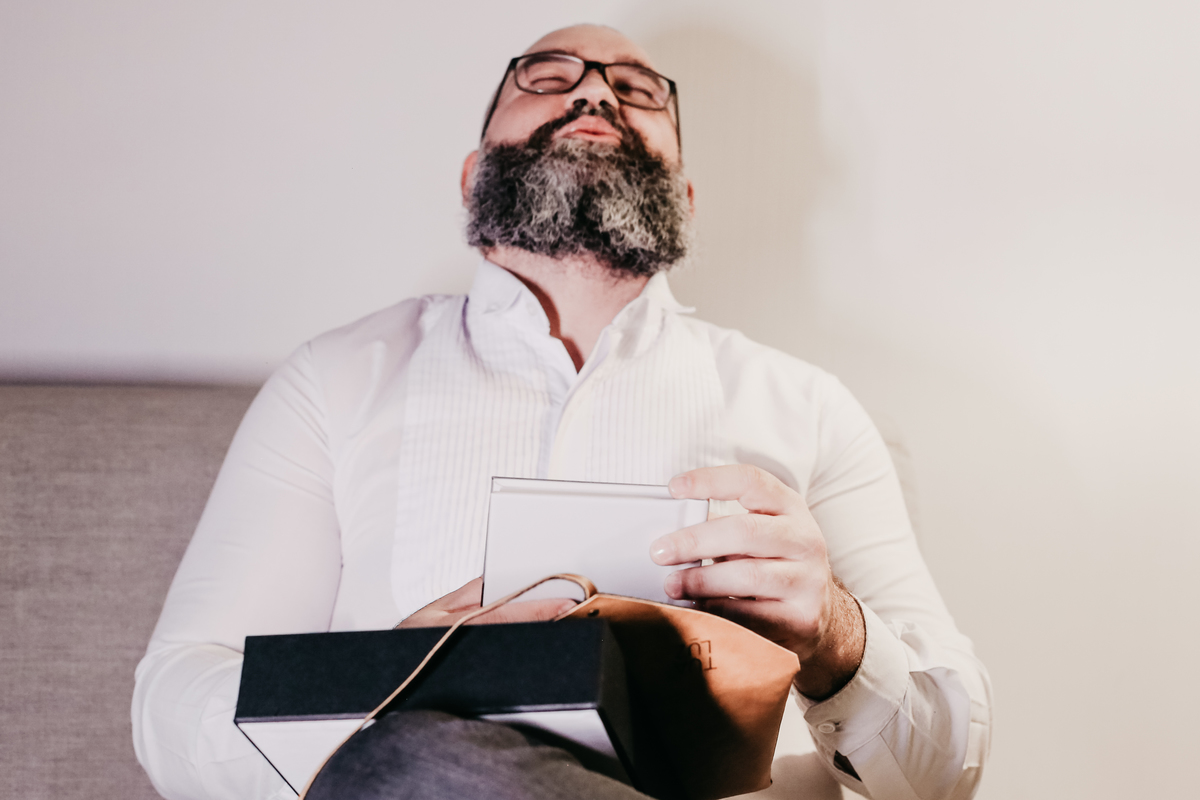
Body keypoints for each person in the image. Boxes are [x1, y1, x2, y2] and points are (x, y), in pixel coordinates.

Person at [133, 23, 991, 800]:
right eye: (547, 77)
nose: (595, 93)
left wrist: (837, 636)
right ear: (474, 180)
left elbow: (945, 774)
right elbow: (173, 711)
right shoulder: (335, 381)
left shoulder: (809, 407)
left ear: (684, 200)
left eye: (638, 90)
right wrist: (391, 675)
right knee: (407, 761)